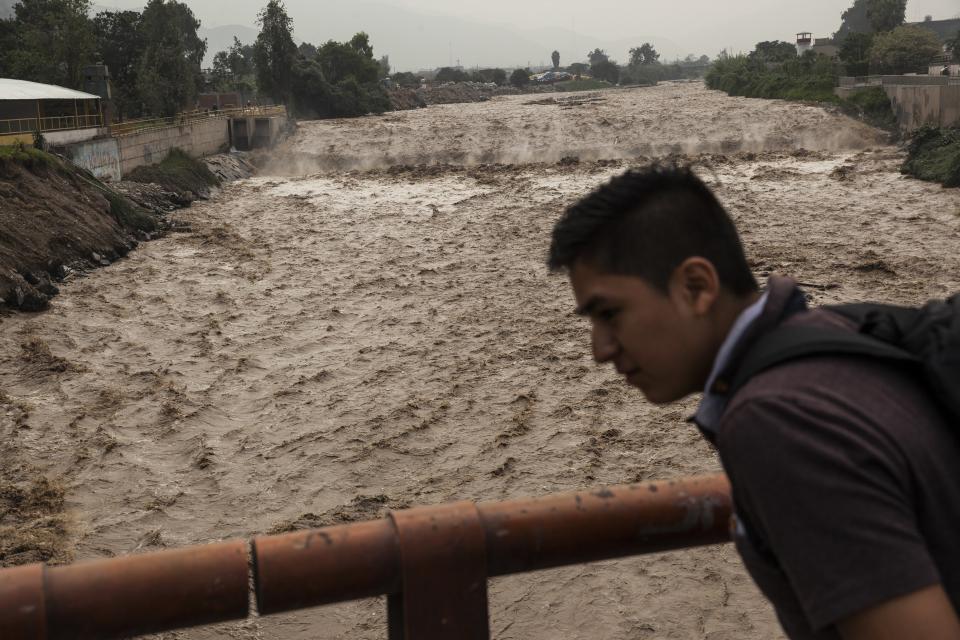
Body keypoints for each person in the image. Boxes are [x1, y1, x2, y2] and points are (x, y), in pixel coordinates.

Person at [546, 165, 960, 640]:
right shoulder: (835, 332)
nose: (600, 349)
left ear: (696, 287)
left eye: (609, 314)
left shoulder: (777, 421)